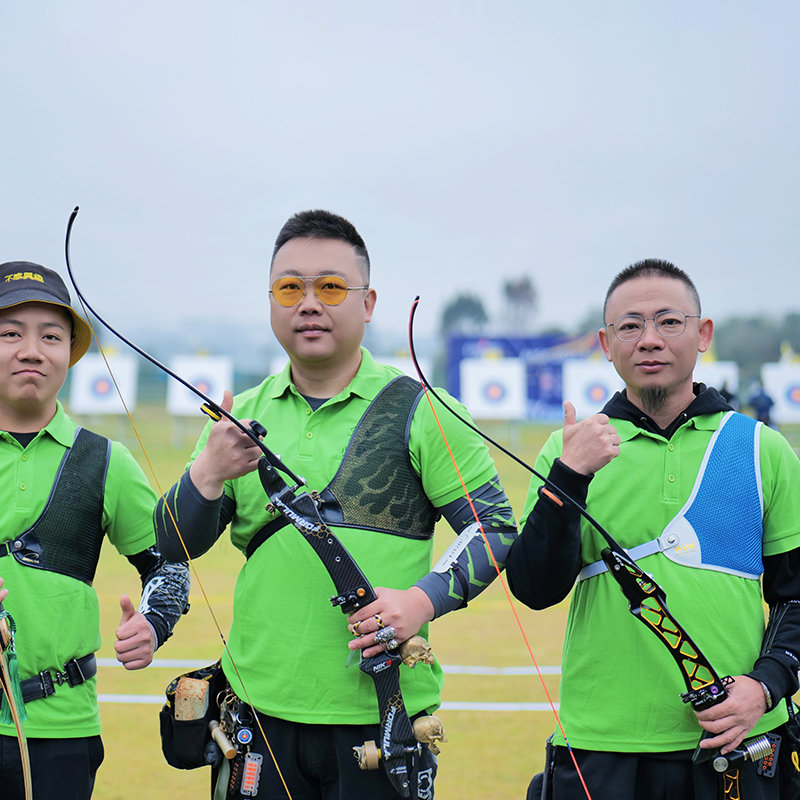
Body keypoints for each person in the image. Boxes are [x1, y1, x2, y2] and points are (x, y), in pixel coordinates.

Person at [155, 209, 517, 800]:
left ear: (368, 302)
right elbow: (174, 544)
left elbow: (496, 530)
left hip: (383, 713)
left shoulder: (422, 409)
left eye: (330, 287)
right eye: (289, 287)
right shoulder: (237, 417)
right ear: (270, 300)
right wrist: (208, 472)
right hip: (255, 713)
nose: (308, 303)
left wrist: (421, 600)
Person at [506, 259, 800, 800]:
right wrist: (570, 475)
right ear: (605, 342)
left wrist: (766, 686)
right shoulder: (567, 449)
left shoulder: (763, 449)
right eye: (630, 325)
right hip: (602, 746)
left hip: (736, 746)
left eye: (669, 322)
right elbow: (534, 589)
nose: (649, 340)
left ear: (702, 334)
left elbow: (795, 596)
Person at [0, 261, 190, 799]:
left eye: (51, 336)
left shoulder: (105, 461)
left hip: (59, 729)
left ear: (70, 356)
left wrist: (154, 623)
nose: (31, 350)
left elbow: (169, 563)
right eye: (10, 333)